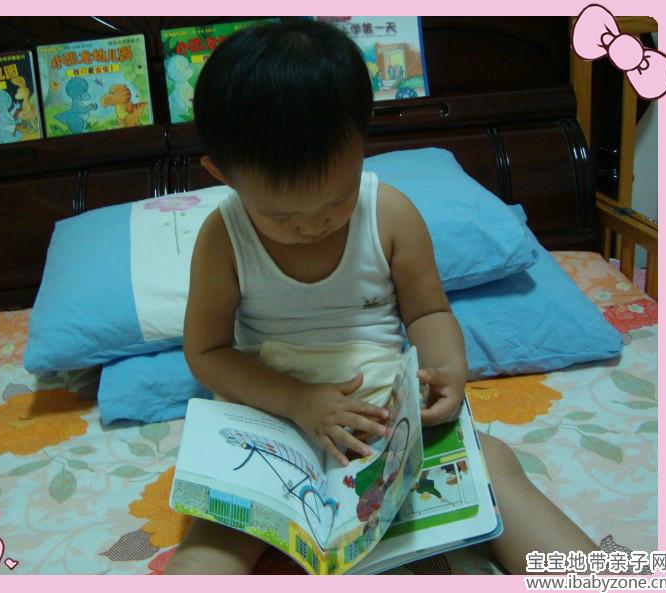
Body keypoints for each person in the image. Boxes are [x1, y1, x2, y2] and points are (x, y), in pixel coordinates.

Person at [163, 19, 599, 575]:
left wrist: (447, 370)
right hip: (272, 427)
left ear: (362, 148)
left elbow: (429, 311)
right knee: (215, 533)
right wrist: (299, 401)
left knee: (495, 466)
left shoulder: (389, 214)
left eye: (335, 201)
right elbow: (207, 353)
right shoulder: (223, 237)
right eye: (281, 215)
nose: (311, 226)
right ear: (221, 174)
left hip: (385, 422)